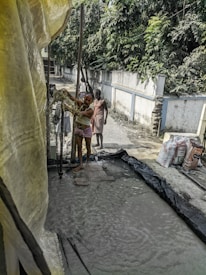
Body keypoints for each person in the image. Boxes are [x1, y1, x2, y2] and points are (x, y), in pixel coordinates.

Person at [65, 91, 94, 172]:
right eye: (86, 99)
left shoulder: (90, 110)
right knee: (79, 147)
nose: (87, 101)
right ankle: (81, 164)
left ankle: (88, 162)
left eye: (89, 100)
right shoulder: (81, 104)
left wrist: (67, 108)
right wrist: (66, 93)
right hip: (78, 129)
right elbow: (72, 98)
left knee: (88, 147)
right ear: (84, 99)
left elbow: (79, 113)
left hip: (87, 129)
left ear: (91, 101)